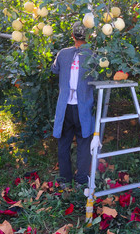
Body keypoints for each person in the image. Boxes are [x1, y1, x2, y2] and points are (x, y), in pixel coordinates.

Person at [51, 22, 95, 186]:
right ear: (88, 36)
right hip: (83, 107)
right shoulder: (93, 55)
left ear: (72, 36)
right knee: (84, 143)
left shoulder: (63, 54)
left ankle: (64, 179)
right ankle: (82, 180)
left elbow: (54, 69)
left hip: (65, 107)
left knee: (63, 143)